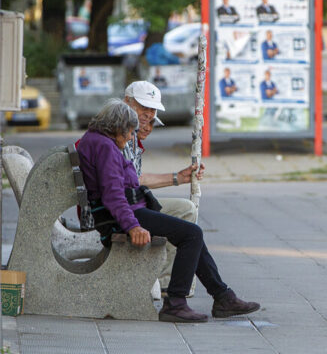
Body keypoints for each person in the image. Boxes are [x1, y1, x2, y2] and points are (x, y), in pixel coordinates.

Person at [77, 99, 260, 323]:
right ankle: (176, 303)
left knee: (191, 232)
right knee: (192, 235)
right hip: (119, 217)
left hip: (126, 211)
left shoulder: (98, 141)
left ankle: (223, 297)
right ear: (117, 127)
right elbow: (113, 195)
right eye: (129, 132)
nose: (130, 138)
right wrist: (132, 226)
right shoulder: (105, 146)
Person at [123, 81, 200, 293]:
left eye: (152, 110)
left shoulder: (130, 138)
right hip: (121, 211)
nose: (148, 117)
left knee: (187, 219)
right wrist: (132, 224)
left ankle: (175, 280)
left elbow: (135, 180)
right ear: (126, 103)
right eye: (143, 108)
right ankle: (170, 282)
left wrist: (177, 178)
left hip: (128, 206)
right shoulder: (120, 136)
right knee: (188, 223)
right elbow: (124, 186)